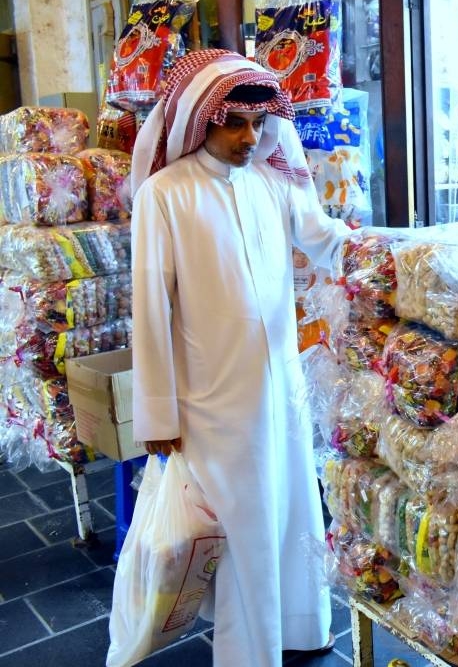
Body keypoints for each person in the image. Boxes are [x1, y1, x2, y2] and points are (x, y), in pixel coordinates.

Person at [125, 49, 351, 666]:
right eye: (235, 124)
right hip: (213, 400)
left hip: (280, 389)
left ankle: (302, 630)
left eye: (259, 123)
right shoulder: (165, 197)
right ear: (202, 121)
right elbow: (149, 311)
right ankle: (251, 654)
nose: (250, 137)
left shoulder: (272, 182)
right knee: (246, 530)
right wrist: (158, 416)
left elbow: (325, 239)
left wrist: (395, 255)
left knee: (295, 513)